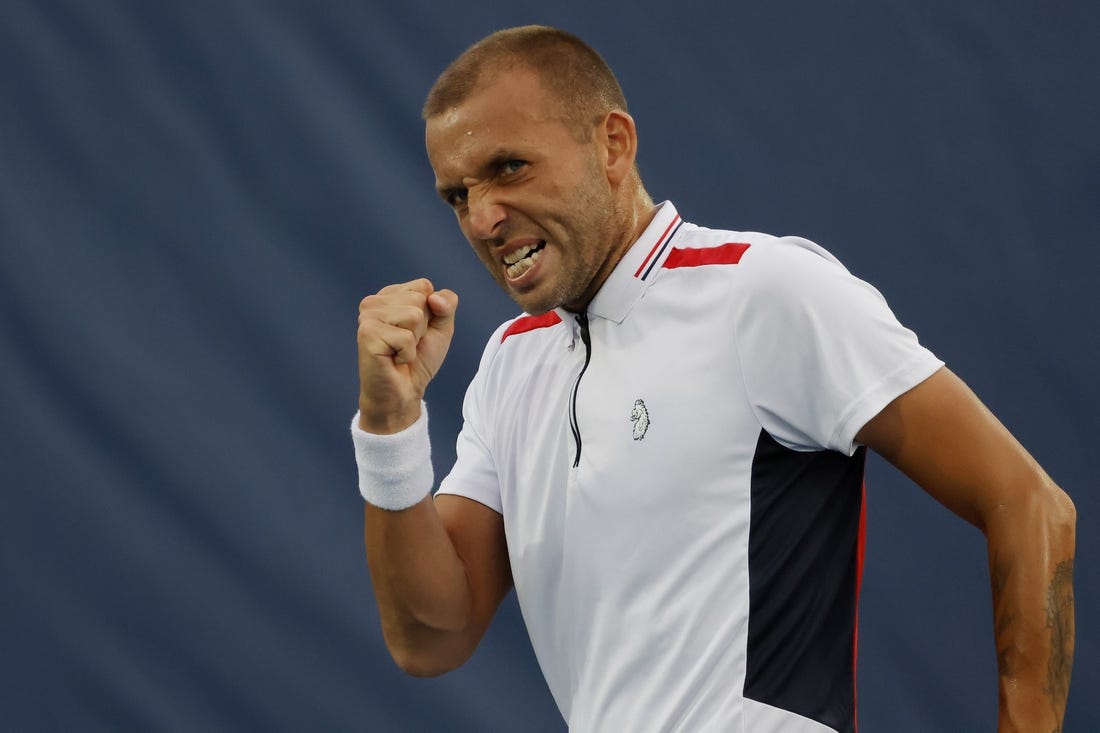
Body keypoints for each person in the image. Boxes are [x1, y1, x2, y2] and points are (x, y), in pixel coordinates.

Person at [351, 25, 1076, 733]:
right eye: (456, 195)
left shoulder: (764, 291)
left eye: (509, 167)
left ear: (612, 144)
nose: (482, 218)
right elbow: (428, 635)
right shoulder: (512, 362)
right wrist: (390, 424)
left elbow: (1027, 501)